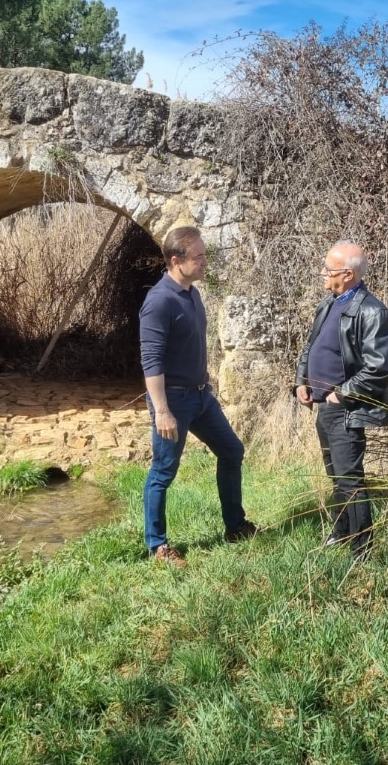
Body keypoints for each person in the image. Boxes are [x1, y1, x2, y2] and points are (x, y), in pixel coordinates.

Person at [139, 225, 257, 567]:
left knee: (231, 451)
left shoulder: (192, 293)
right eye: (199, 256)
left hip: (202, 397)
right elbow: (151, 360)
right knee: (163, 471)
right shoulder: (158, 302)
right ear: (176, 261)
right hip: (173, 401)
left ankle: (235, 526)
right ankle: (158, 546)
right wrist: (162, 410)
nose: (205, 261)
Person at [294, 242, 388, 560]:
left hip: (345, 409)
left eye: (329, 269)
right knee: (336, 475)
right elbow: (311, 346)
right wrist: (301, 381)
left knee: (350, 479)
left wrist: (342, 393)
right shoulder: (329, 303)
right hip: (324, 406)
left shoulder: (372, 311)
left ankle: (362, 551)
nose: (322, 273)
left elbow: (379, 367)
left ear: (348, 274)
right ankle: (341, 533)